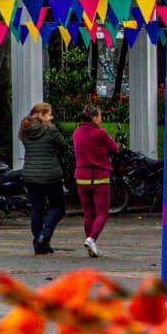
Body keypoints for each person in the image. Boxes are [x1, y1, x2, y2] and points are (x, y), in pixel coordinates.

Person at [18, 102, 67, 255]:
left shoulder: (25, 129)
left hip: (31, 175)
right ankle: (44, 236)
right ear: (43, 114)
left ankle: (39, 243)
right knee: (58, 207)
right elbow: (63, 145)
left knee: (37, 208)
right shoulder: (50, 130)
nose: (51, 117)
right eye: (49, 114)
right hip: (50, 175)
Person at [73, 105, 118, 258]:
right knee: (102, 213)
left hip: (81, 176)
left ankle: (90, 243)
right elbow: (115, 149)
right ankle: (92, 238)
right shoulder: (101, 133)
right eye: (99, 115)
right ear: (93, 118)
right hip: (99, 176)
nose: (101, 118)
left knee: (88, 213)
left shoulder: (77, 133)